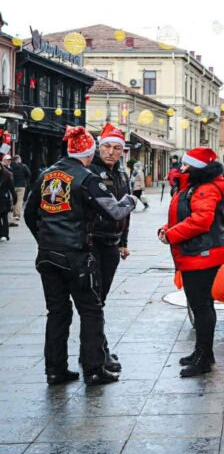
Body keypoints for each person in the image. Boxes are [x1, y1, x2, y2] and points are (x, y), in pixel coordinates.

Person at [24, 125, 136, 385]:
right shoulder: (86, 177)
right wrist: (130, 200)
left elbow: (31, 214)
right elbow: (115, 211)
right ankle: (94, 369)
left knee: (57, 312)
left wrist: (45, 239)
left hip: (48, 255)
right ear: (88, 152)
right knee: (91, 310)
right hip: (76, 256)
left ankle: (55, 370)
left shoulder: (46, 175)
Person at [158, 147, 224, 377]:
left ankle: (203, 358)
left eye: (186, 164)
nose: (181, 167)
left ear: (196, 167)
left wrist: (172, 234)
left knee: (201, 306)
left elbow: (200, 221)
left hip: (201, 253)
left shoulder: (204, 188)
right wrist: (168, 228)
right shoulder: (194, 186)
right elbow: (185, 214)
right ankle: (203, 353)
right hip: (197, 251)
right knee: (200, 305)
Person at [90, 124, 132, 372]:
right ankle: (99, 352)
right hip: (93, 241)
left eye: (116, 148)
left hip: (111, 243)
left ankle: (99, 348)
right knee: (94, 303)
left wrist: (124, 242)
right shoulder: (90, 171)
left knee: (100, 300)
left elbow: (125, 211)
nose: (111, 152)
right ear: (98, 146)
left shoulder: (121, 175)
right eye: (106, 146)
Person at [9, 154, 31, 225]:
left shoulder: (10, 166)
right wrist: (25, 180)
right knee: (19, 201)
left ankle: (13, 213)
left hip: (12, 185)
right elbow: (29, 174)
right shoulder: (23, 166)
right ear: (18, 159)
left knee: (13, 199)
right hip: (21, 186)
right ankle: (17, 215)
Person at [0, 158, 16, 241]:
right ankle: (2, 234)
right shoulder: (7, 174)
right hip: (4, 199)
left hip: (4, 199)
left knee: (4, 217)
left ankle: (5, 234)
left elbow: (11, 188)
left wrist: (15, 199)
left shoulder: (7, 175)